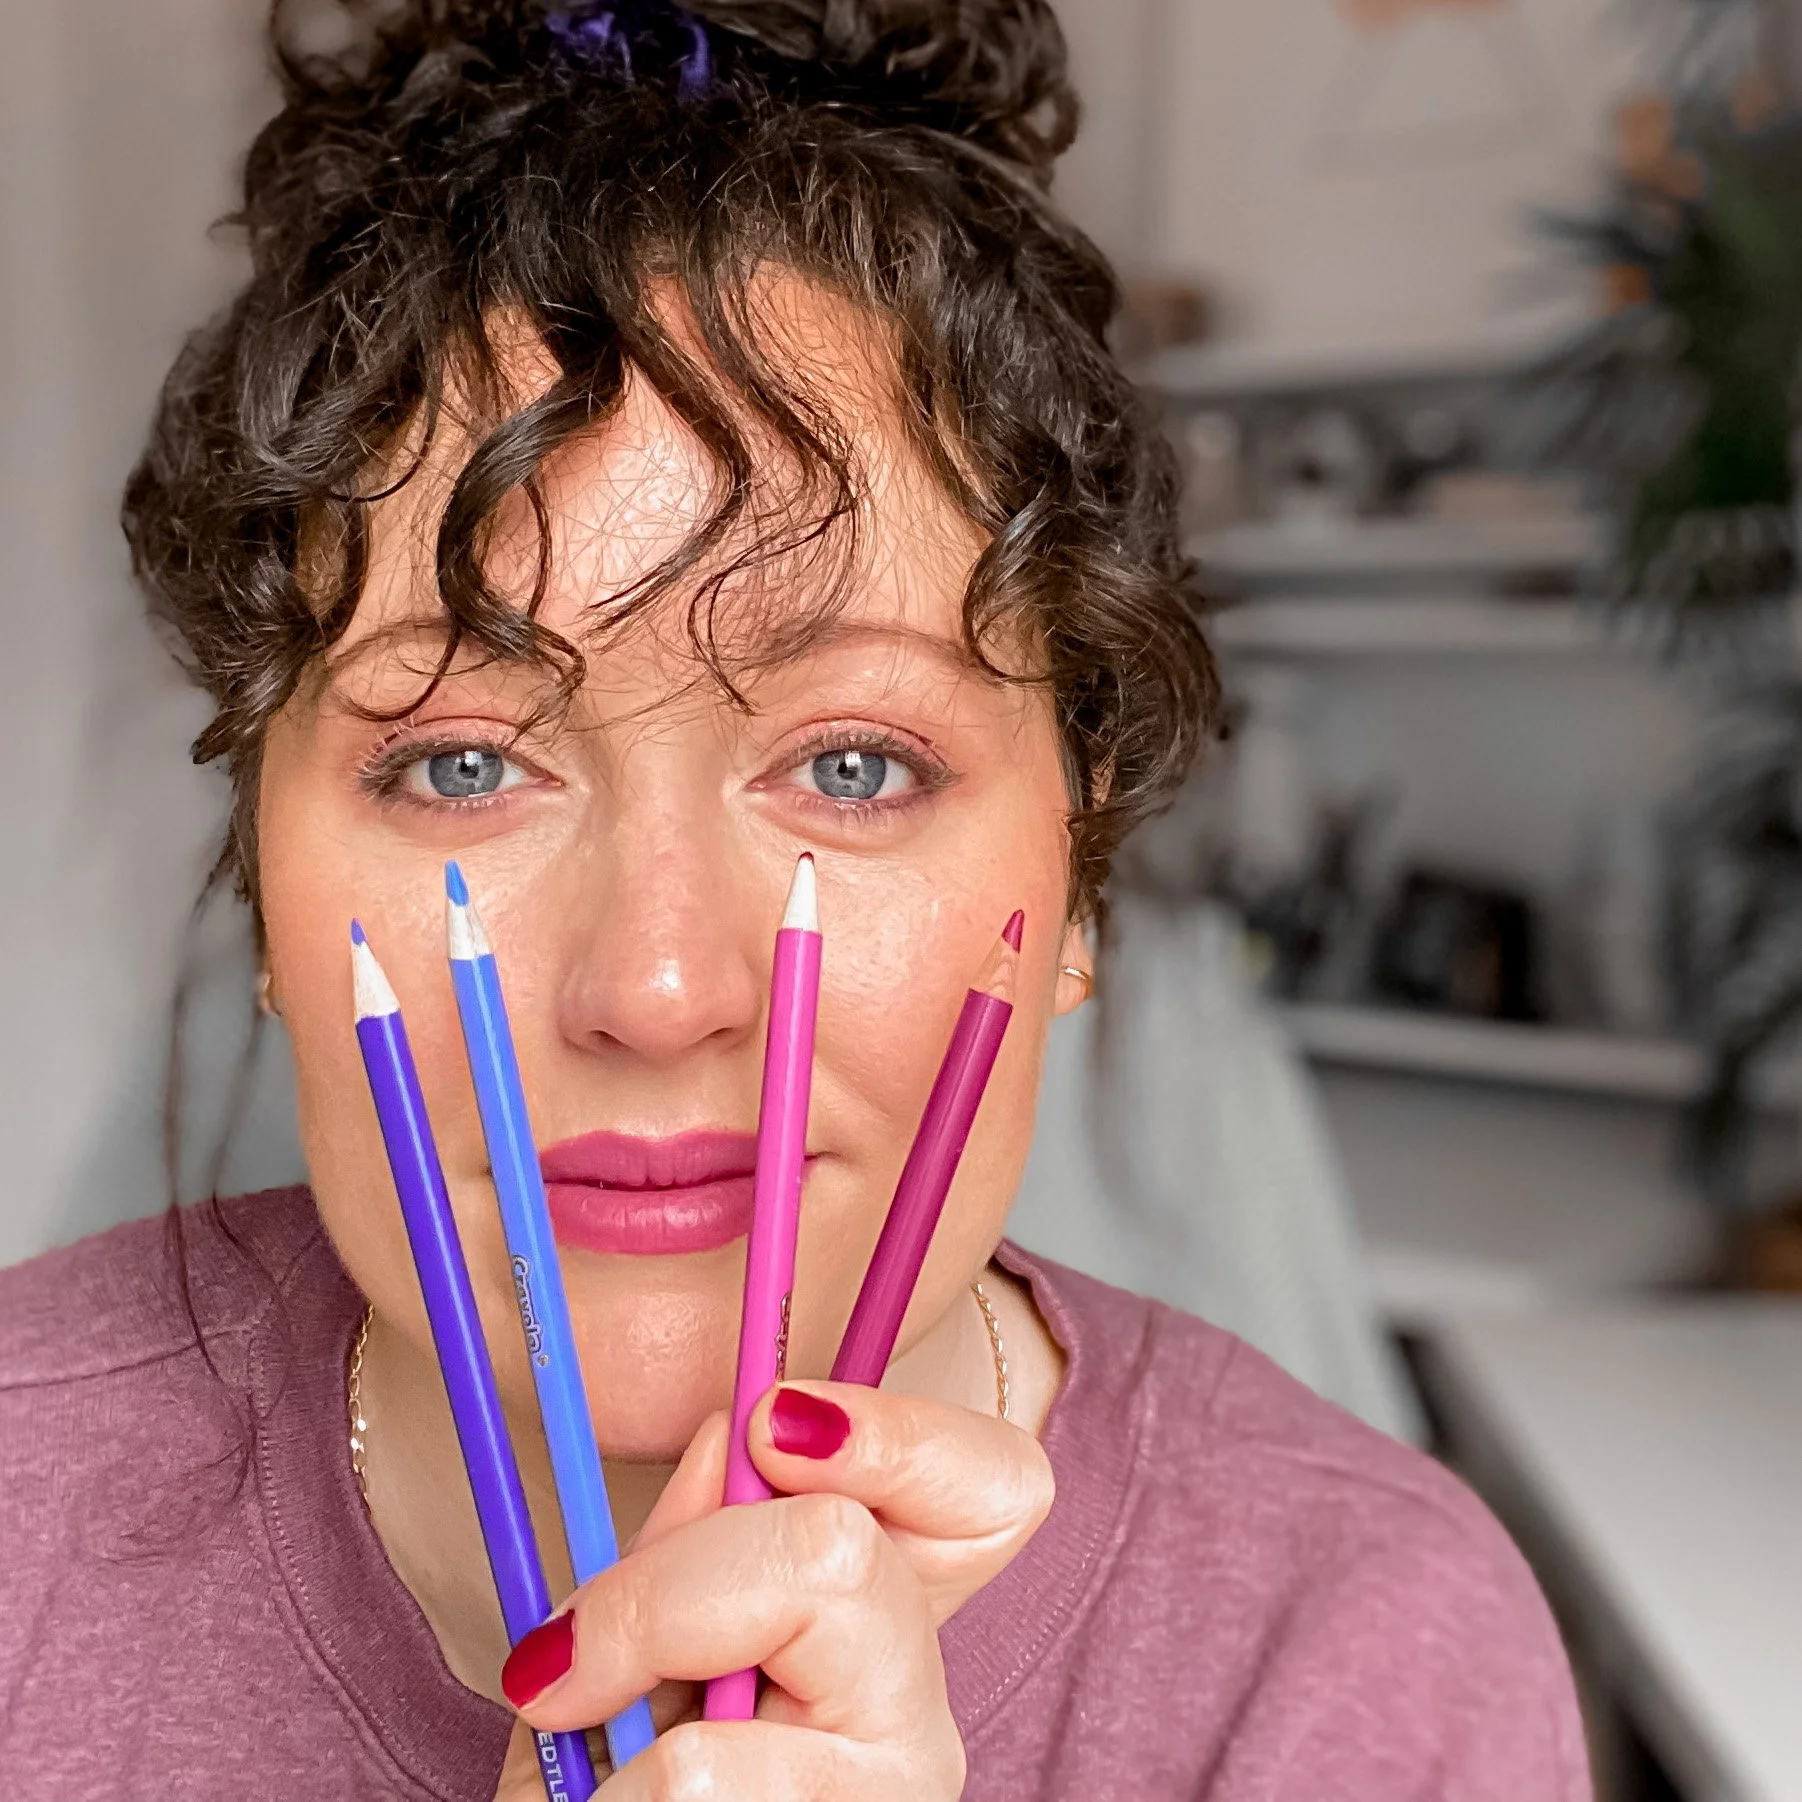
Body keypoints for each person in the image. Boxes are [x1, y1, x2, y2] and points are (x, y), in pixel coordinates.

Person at [0, 2, 1591, 1796]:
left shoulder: (1362, 1650)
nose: (659, 984)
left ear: (1080, 881)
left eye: (852, 764)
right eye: (456, 763)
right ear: (263, 882)